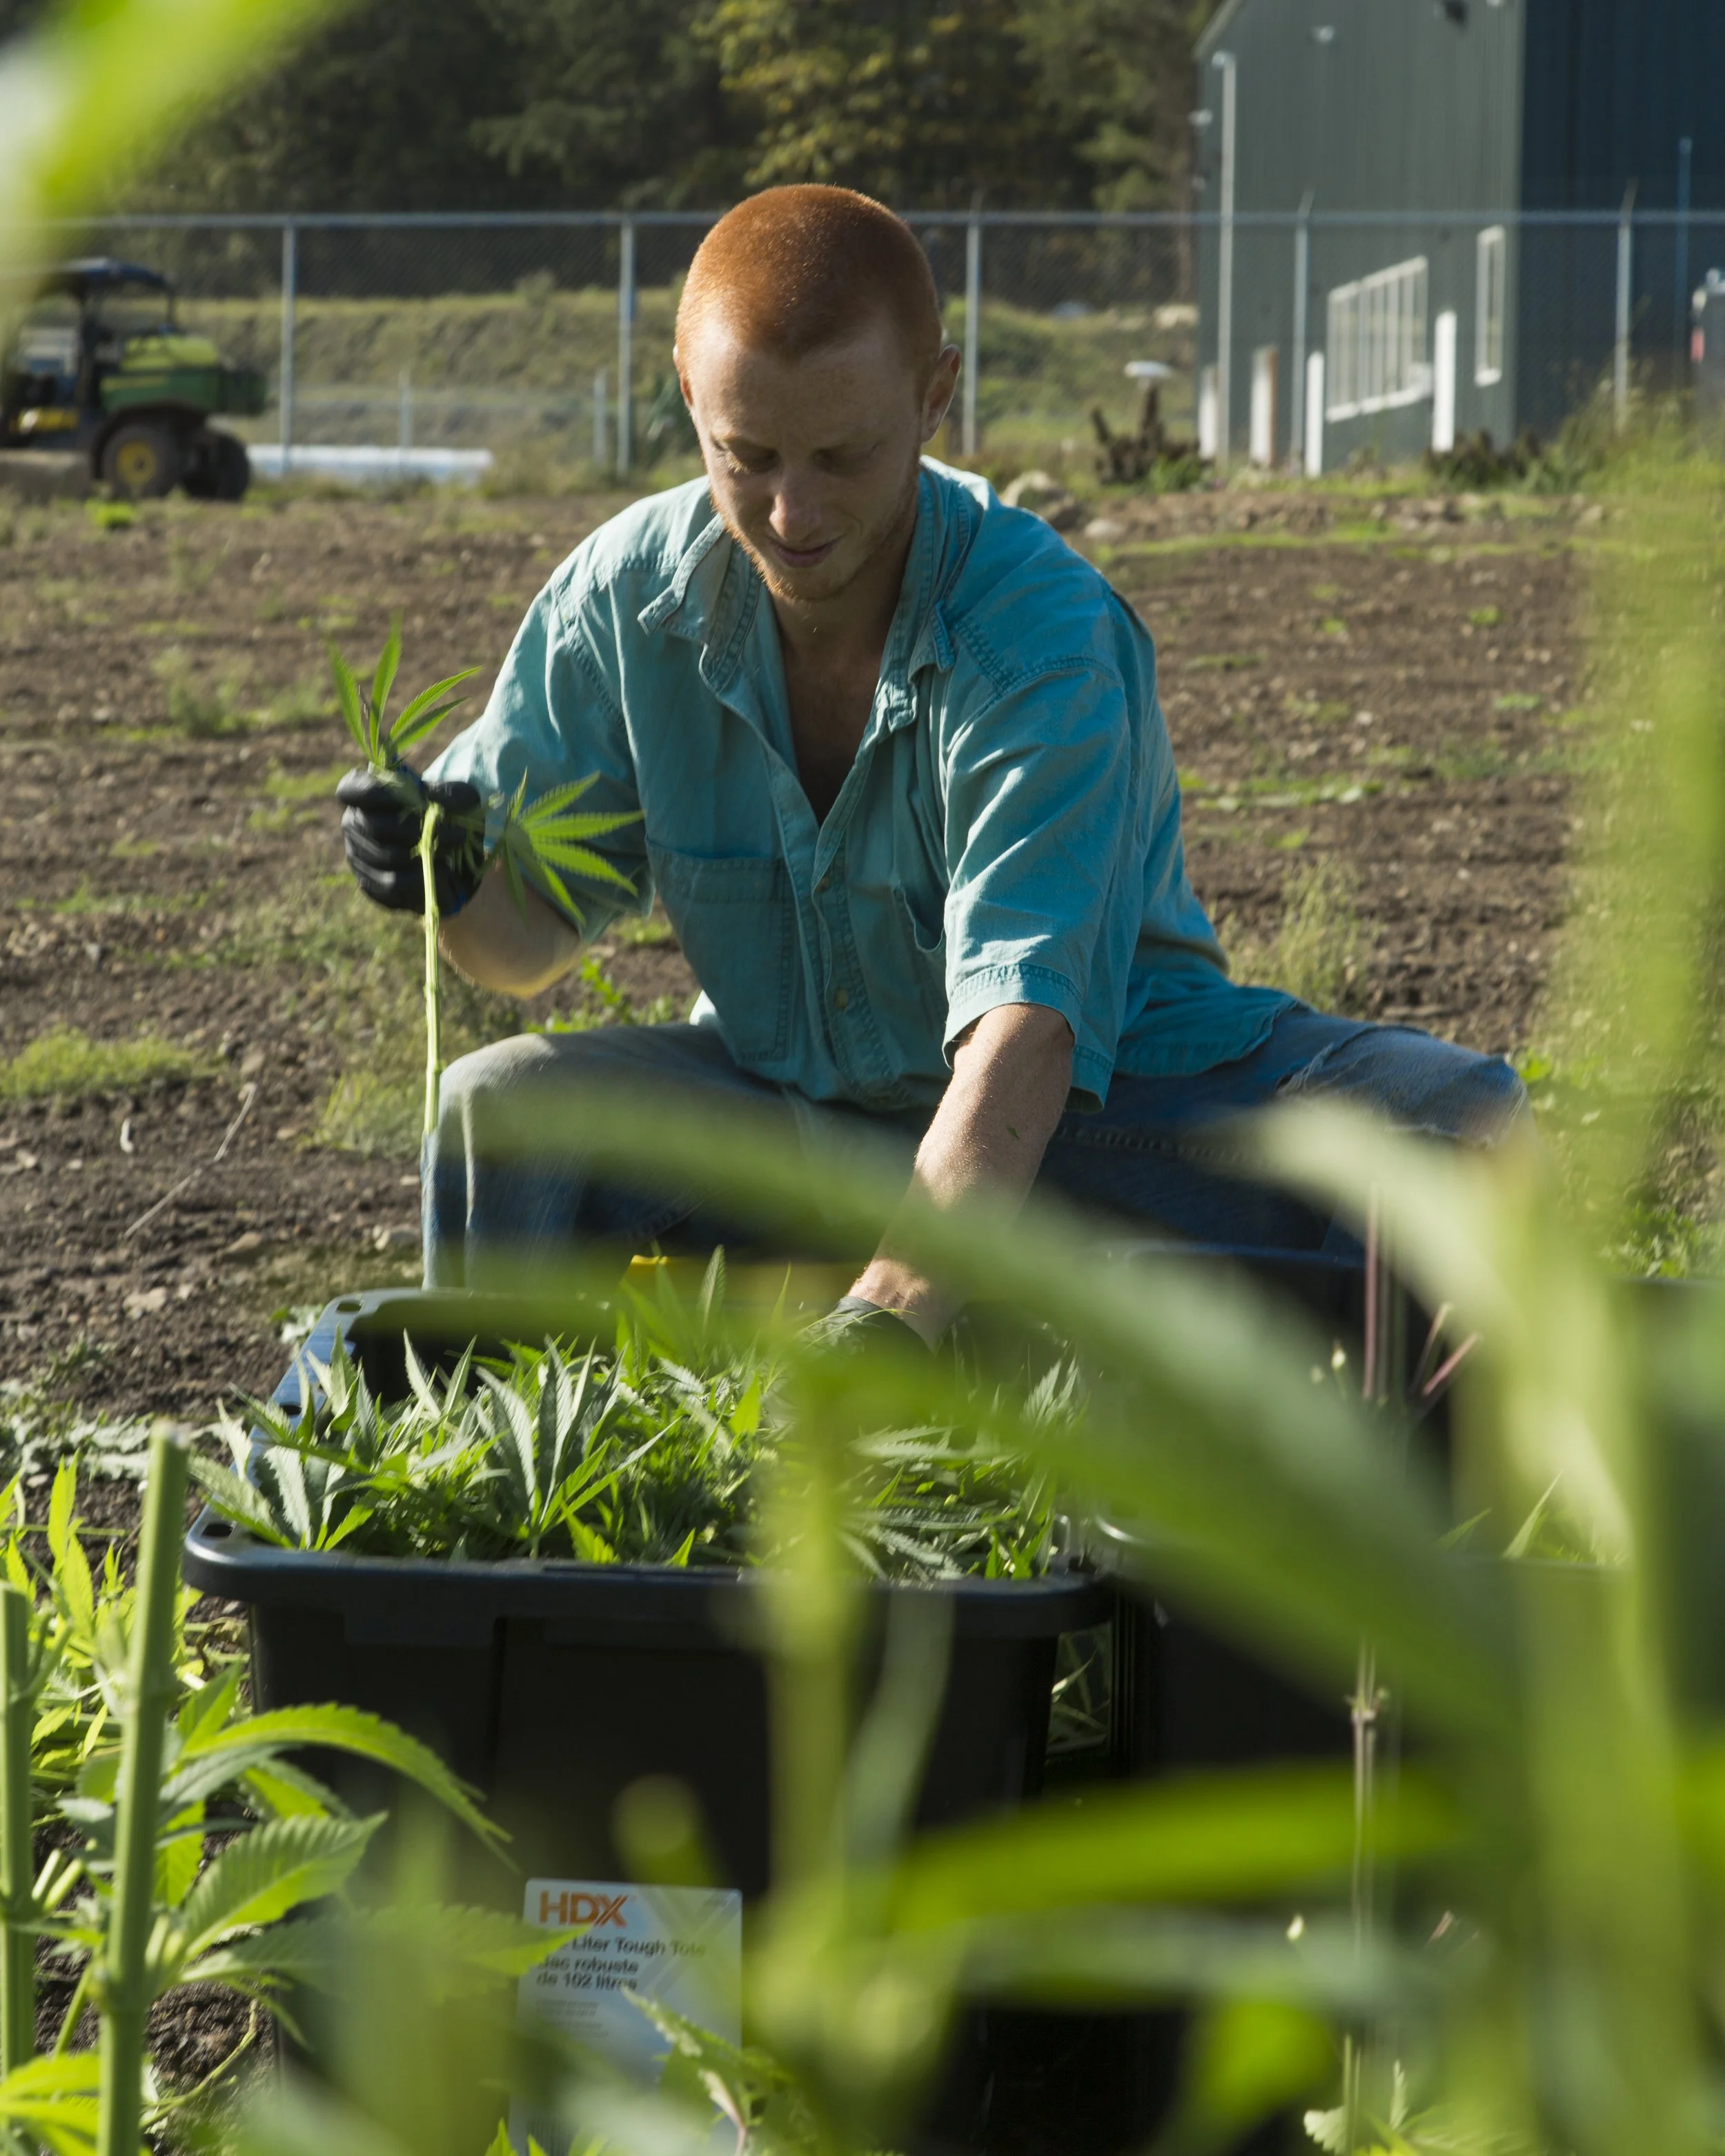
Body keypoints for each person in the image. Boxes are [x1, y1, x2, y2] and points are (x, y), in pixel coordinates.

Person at [336, 185, 1524, 1347]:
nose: (793, 511)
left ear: (933, 396)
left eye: (843, 456)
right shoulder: (627, 600)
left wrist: (889, 1314)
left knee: (1455, 1123)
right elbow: (523, 946)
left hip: (1095, 1116)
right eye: (746, 456)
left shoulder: (1033, 641)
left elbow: (1027, 1035)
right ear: (690, 398)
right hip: (796, 1113)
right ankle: (522, 1502)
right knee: (502, 1113)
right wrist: (444, 873)